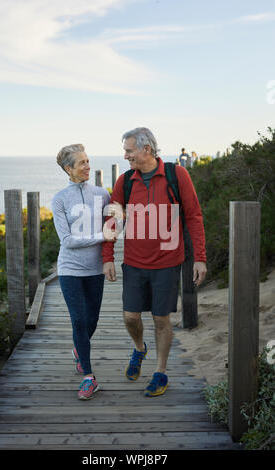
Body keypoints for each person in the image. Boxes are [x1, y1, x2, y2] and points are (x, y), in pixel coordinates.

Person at [102, 128, 207, 397]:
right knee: (130, 317)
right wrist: (108, 257)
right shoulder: (125, 181)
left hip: (167, 263)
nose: (125, 156)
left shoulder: (177, 175)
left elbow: (194, 216)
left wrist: (200, 258)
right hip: (134, 262)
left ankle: (160, 373)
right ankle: (139, 348)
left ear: (146, 149)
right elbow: (112, 219)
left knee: (161, 320)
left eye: (129, 150)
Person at [52, 144, 116, 400]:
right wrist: (101, 235)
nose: (88, 166)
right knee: (78, 321)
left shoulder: (103, 194)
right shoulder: (59, 199)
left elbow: (114, 223)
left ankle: (80, 349)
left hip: (94, 269)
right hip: (69, 268)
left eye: (88, 161)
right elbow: (67, 240)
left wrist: (117, 225)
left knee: (92, 321)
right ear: (69, 169)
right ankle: (89, 377)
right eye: (82, 163)